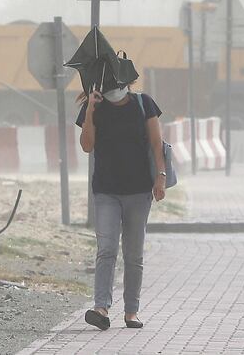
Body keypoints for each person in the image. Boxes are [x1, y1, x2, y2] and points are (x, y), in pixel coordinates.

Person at [76, 78, 166, 331]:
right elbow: (86, 145)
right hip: (106, 191)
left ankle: (131, 312)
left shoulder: (143, 103)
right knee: (106, 249)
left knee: (133, 254)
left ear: (126, 80)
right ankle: (101, 308)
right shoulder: (94, 106)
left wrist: (161, 176)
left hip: (138, 191)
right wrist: (91, 109)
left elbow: (156, 143)